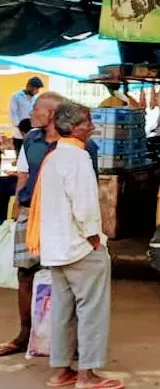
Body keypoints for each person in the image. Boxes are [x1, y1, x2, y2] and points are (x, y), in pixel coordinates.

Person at [28, 102, 121, 389]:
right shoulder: (78, 158)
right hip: (80, 248)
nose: (91, 126)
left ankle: (61, 371)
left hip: (56, 249)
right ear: (74, 127)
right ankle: (86, 375)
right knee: (91, 312)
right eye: (88, 121)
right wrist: (95, 239)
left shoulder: (54, 157)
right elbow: (84, 209)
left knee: (62, 313)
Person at [0, 92, 97, 359]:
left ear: (53, 114)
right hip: (30, 214)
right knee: (25, 274)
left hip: (61, 218)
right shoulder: (31, 139)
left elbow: (89, 188)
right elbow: (24, 175)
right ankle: (24, 334)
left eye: (36, 110)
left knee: (66, 277)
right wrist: (17, 211)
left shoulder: (81, 147)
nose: (31, 114)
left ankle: (67, 342)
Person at [9, 76, 42, 153]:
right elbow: (13, 112)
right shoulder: (16, 96)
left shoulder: (36, 98)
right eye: (36, 89)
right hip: (19, 130)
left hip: (32, 129)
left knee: (31, 153)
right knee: (20, 152)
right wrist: (19, 126)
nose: (37, 91)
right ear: (29, 86)